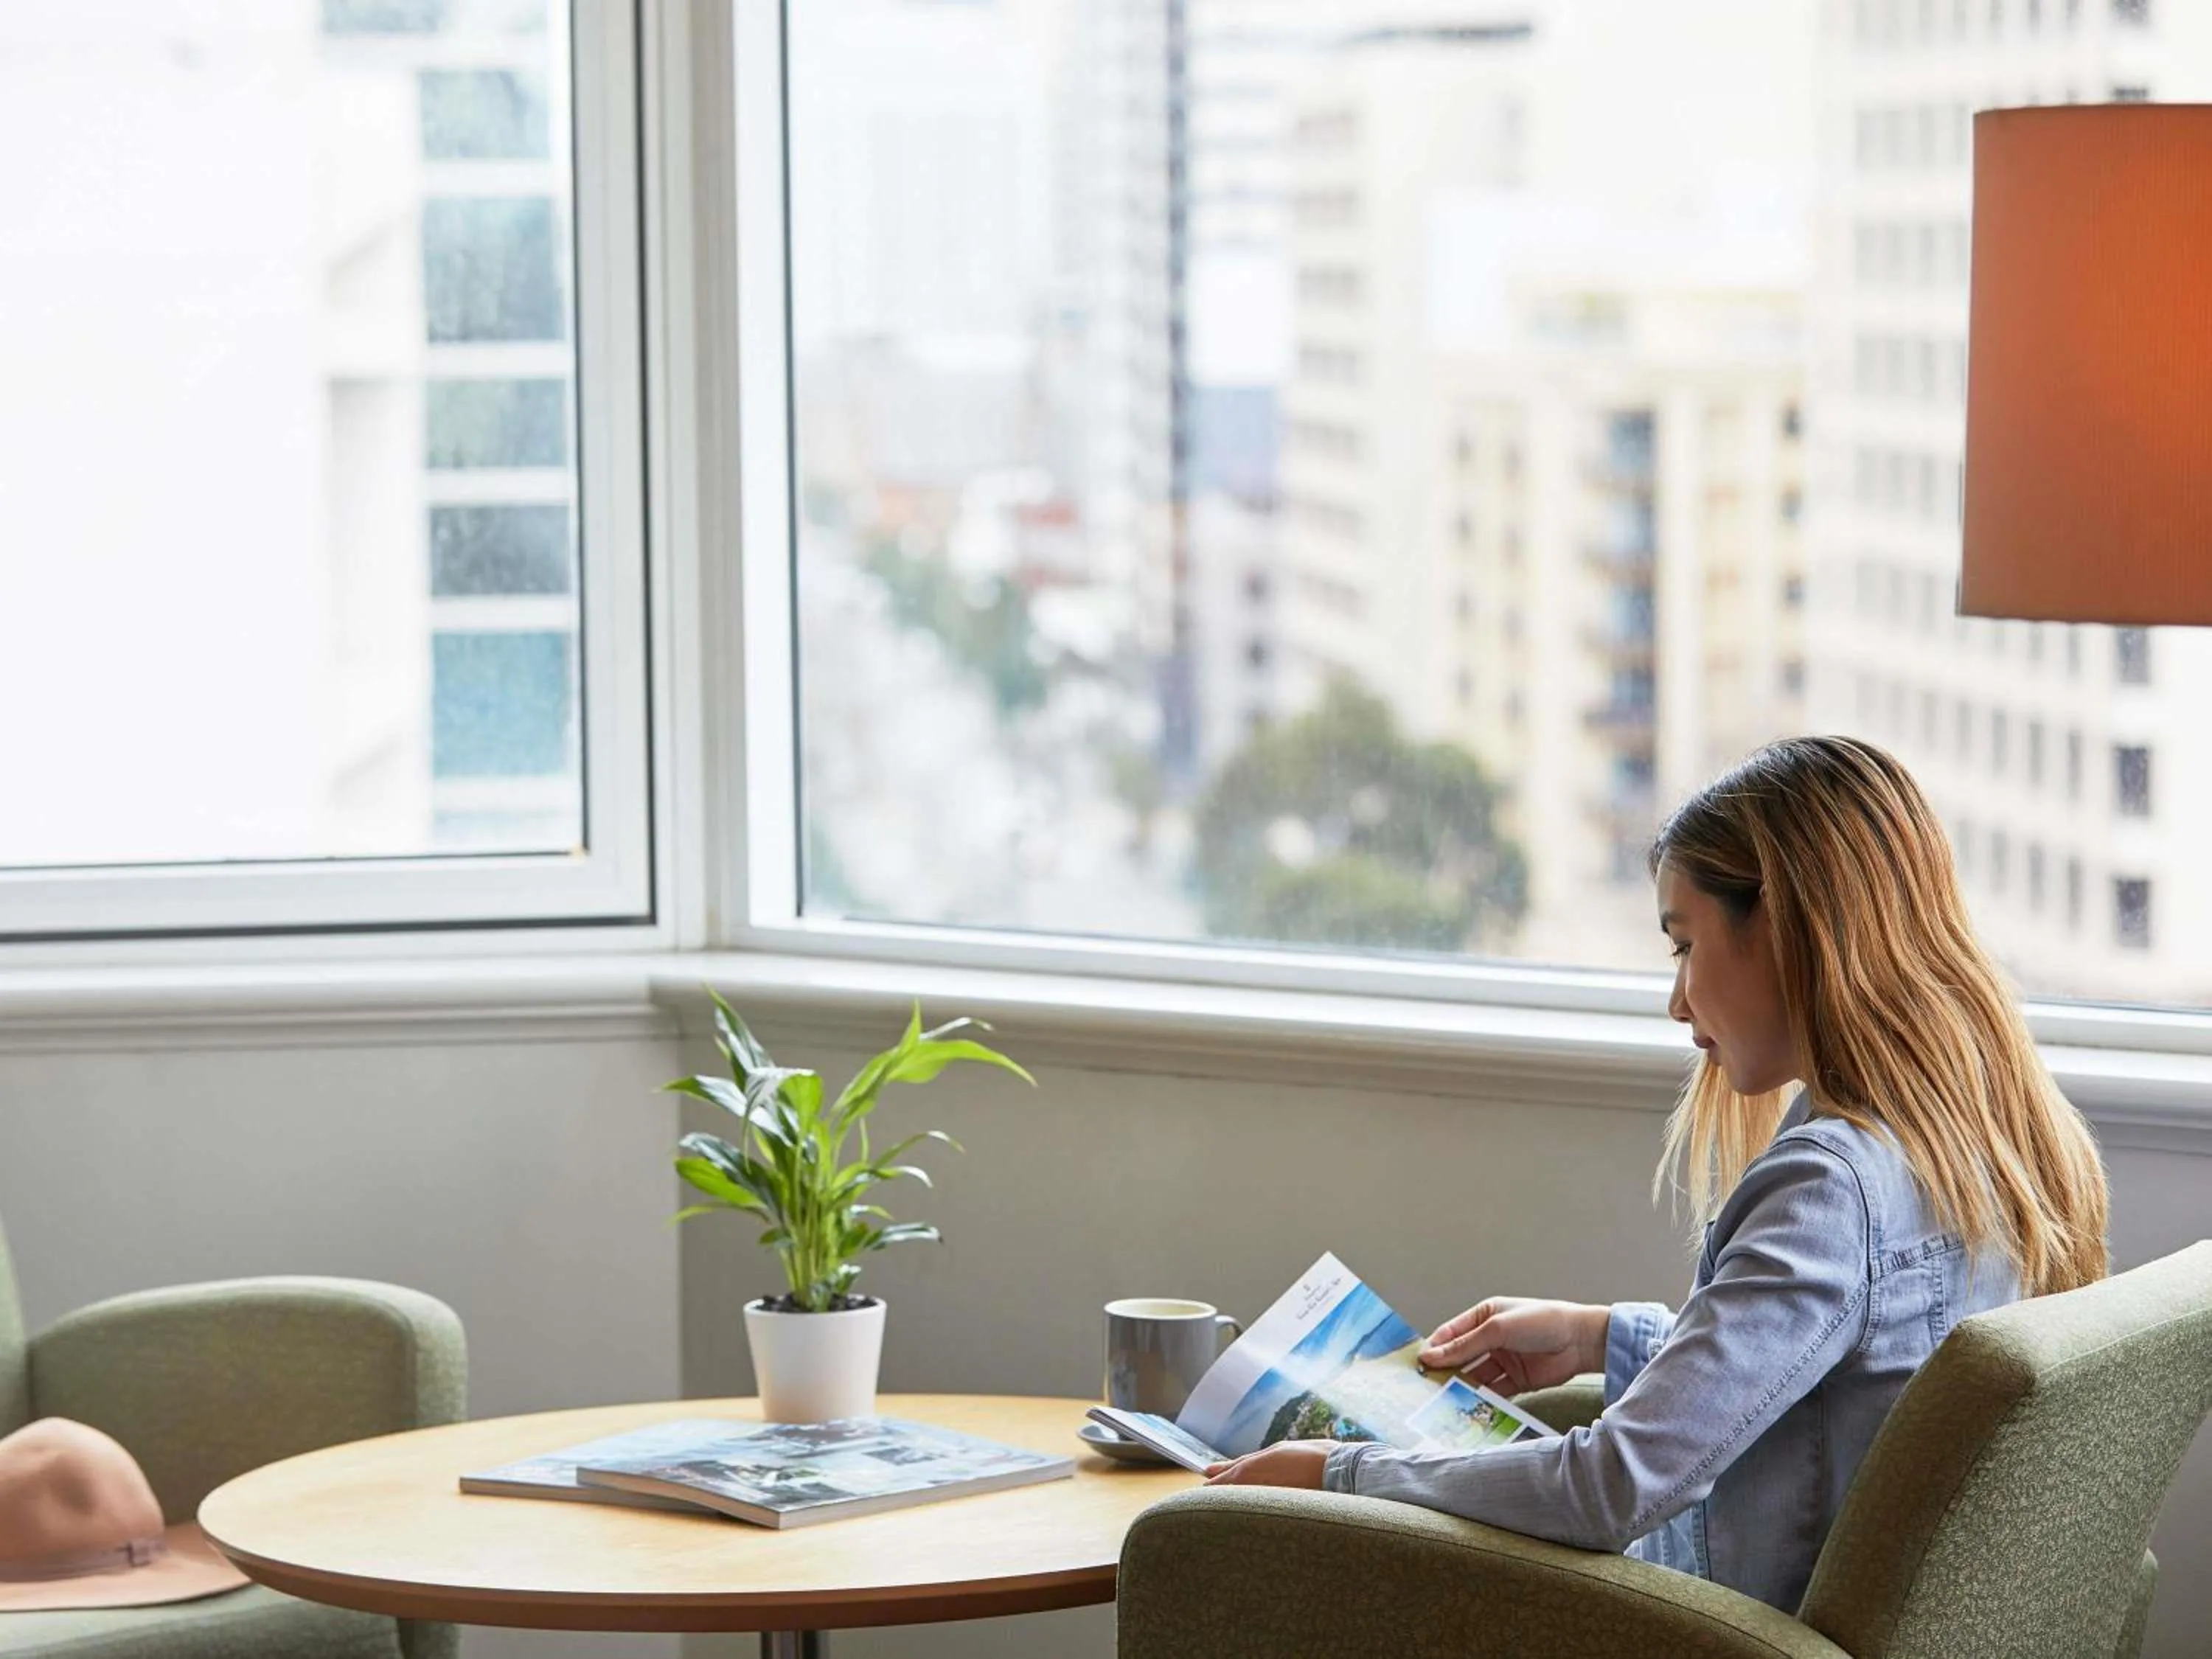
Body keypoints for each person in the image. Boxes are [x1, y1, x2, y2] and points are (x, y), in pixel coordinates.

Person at [1203, 735, 2110, 1613]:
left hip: (1698, 1631)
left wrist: (1338, 1473)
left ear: (1790, 931)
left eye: (1684, 945)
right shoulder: (1983, 1141)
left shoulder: (1831, 1186)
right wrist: (1603, 1336)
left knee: (1241, 1549)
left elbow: (1612, 1489)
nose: (1678, 999)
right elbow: (1843, 1372)